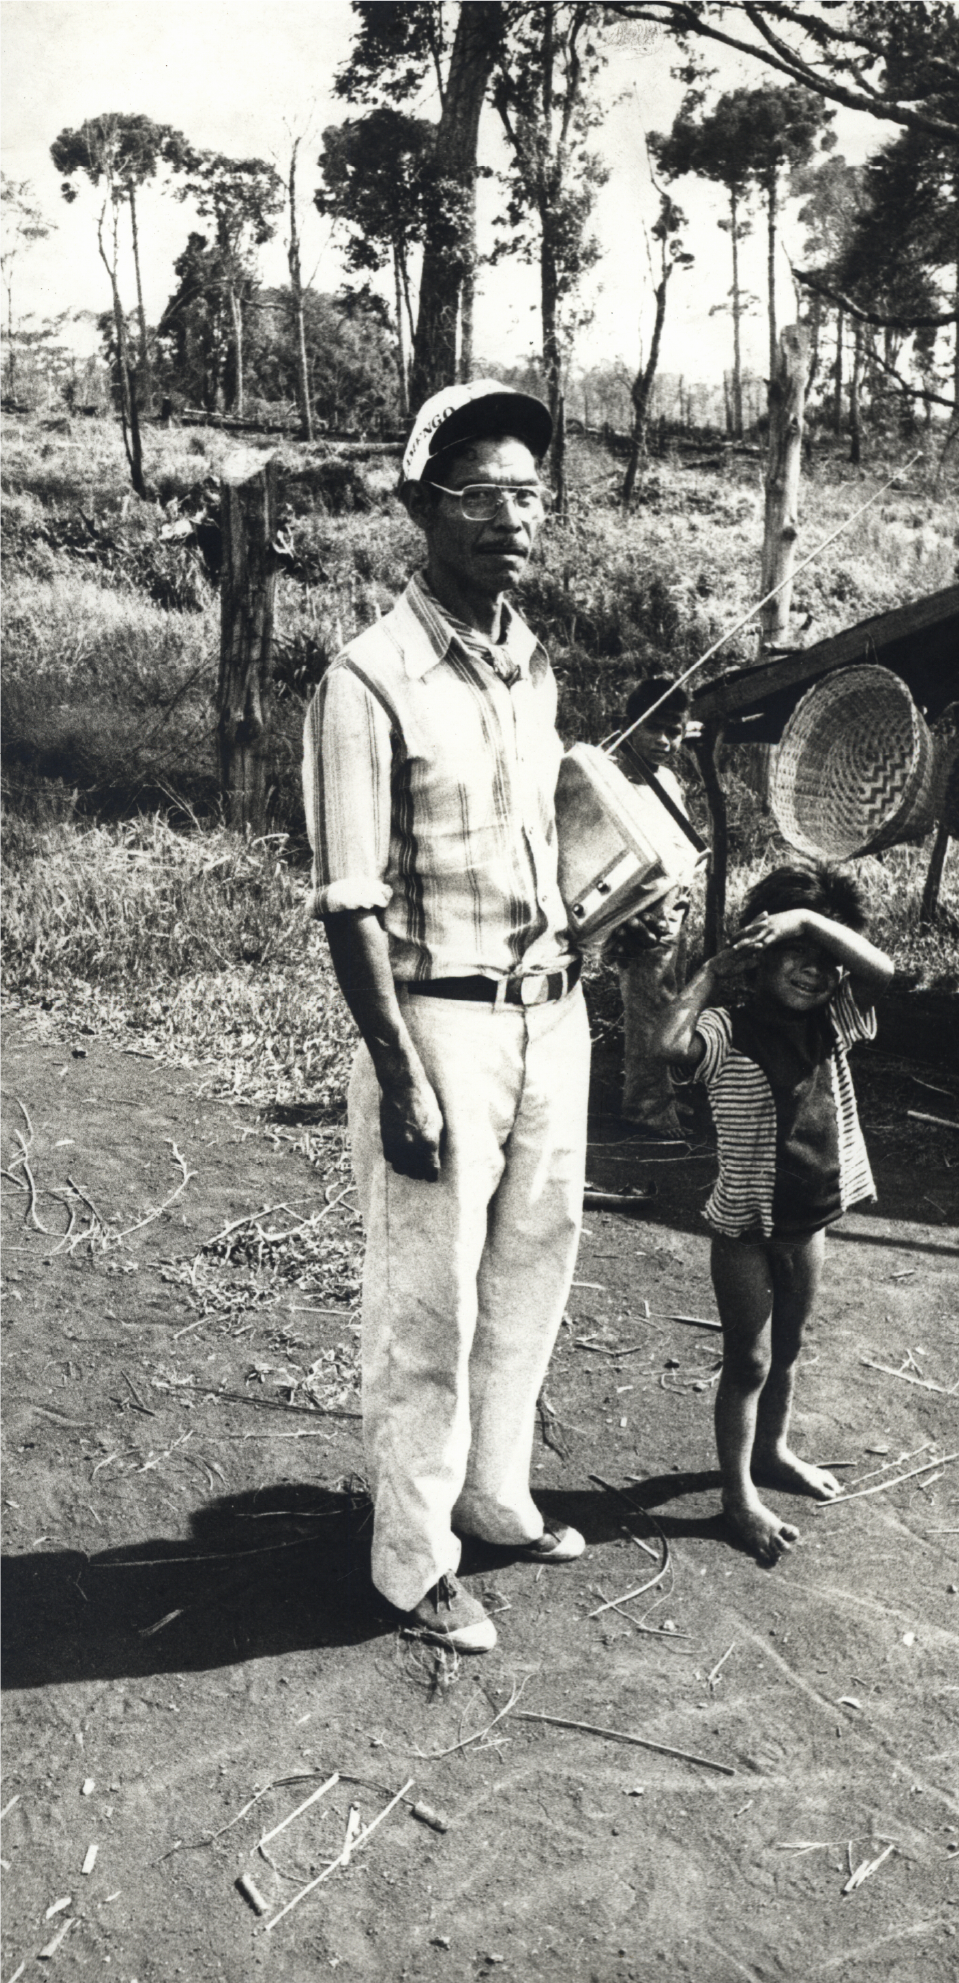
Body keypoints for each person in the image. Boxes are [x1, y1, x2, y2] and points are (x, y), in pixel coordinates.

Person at [302, 379, 590, 1655]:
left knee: (532, 1266)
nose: (510, 517)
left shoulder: (531, 663)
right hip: (441, 1026)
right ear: (422, 509)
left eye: (528, 494)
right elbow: (350, 901)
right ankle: (412, 1561)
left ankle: (493, 1494)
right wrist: (401, 1070)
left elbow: (535, 846)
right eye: (479, 495)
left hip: (550, 1015)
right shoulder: (368, 679)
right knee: (429, 1303)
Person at [655, 863, 894, 1563]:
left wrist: (808, 922)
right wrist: (712, 970)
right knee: (750, 1361)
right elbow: (668, 1043)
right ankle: (737, 1497)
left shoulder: (833, 1019)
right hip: (745, 1229)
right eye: (795, 953)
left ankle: (773, 1450)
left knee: (788, 1348)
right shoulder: (727, 1028)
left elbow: (880, 972)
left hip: (810, 1221)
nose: (814, 972)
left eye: (826, 959)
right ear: (758, 953)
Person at [609, 676, 695, 1136]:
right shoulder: (609, 776)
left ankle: (663, 1095)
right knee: (649, 1010)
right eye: (653, 728)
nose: (663, 741)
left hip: (671, 906)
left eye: (674, 731)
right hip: (634, 913)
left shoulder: (667, 780)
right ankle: (647, 1107)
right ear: (630, 724)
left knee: (667, 1001)